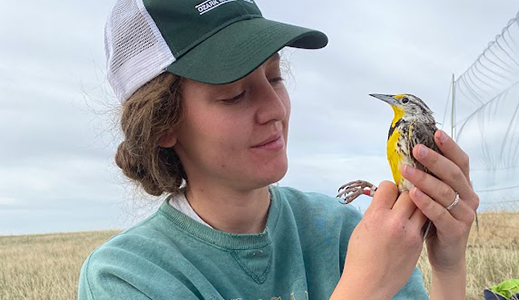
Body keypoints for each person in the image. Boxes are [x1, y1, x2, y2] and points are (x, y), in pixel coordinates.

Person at [78, 0, 479, 299]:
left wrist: (447, 265)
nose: (274, 109)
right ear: (162, 124)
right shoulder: (125, 277)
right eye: (234, 94)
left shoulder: (344, 229)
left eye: (275, 76)